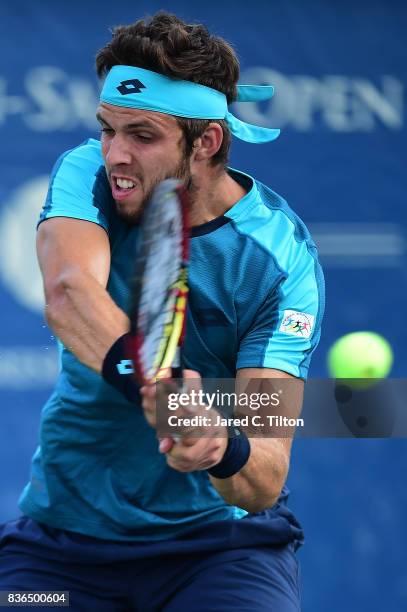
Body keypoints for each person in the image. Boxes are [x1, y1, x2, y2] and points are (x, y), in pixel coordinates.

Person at [0, 11, 324, 611]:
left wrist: (219, 446)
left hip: (222, 552)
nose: (116, 154)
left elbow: (265, 474)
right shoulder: (87, 172)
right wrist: (149, 380)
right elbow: (69, 294)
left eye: (143, 136)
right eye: (107, 128)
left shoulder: (279, 261)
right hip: (61, 552)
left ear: (206, 142)